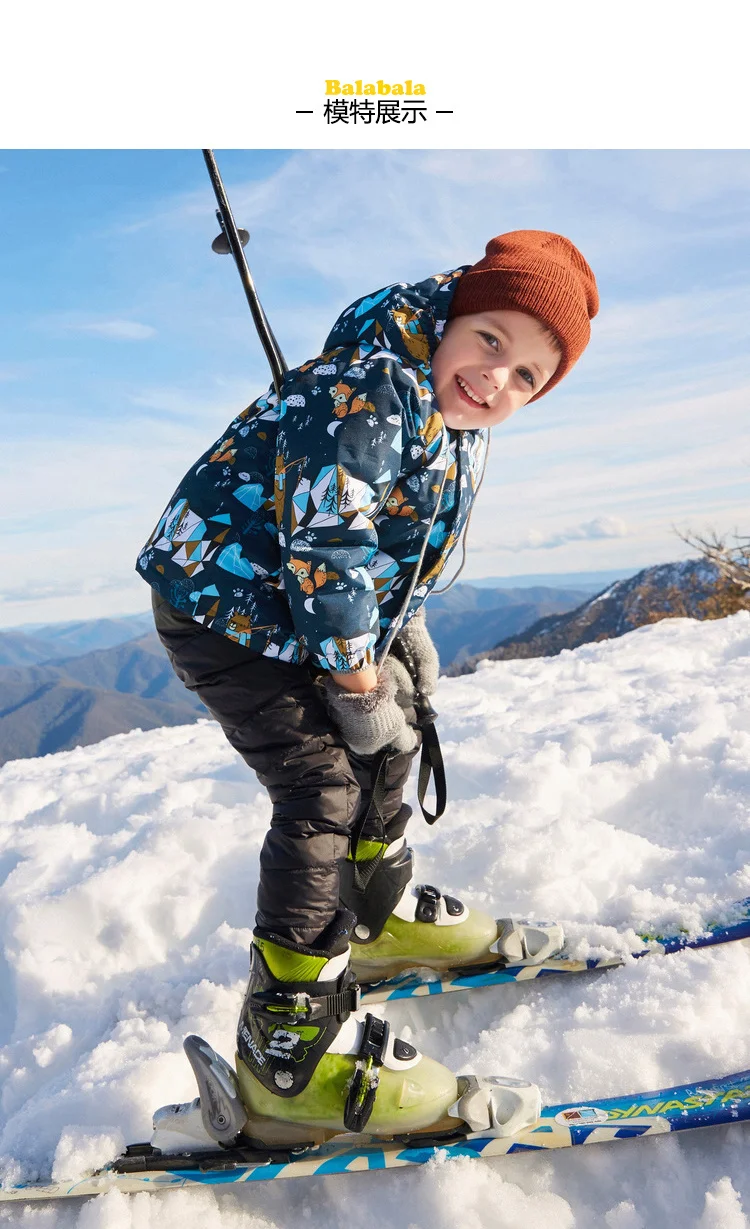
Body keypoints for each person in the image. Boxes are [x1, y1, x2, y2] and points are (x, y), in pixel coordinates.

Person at [136, 229, 599, 1142]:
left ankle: (371, 917)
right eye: (493, 340)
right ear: (457, 311)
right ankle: (287, 1063)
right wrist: (354, 672)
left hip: (309, 610)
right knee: (322, 786)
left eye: (527, 378)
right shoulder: (372, 381)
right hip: (225, 607)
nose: (496, 379)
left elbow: (399, 538)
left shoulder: (448, 412)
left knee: (396, 733)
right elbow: (330, 536)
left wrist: (404, 633)